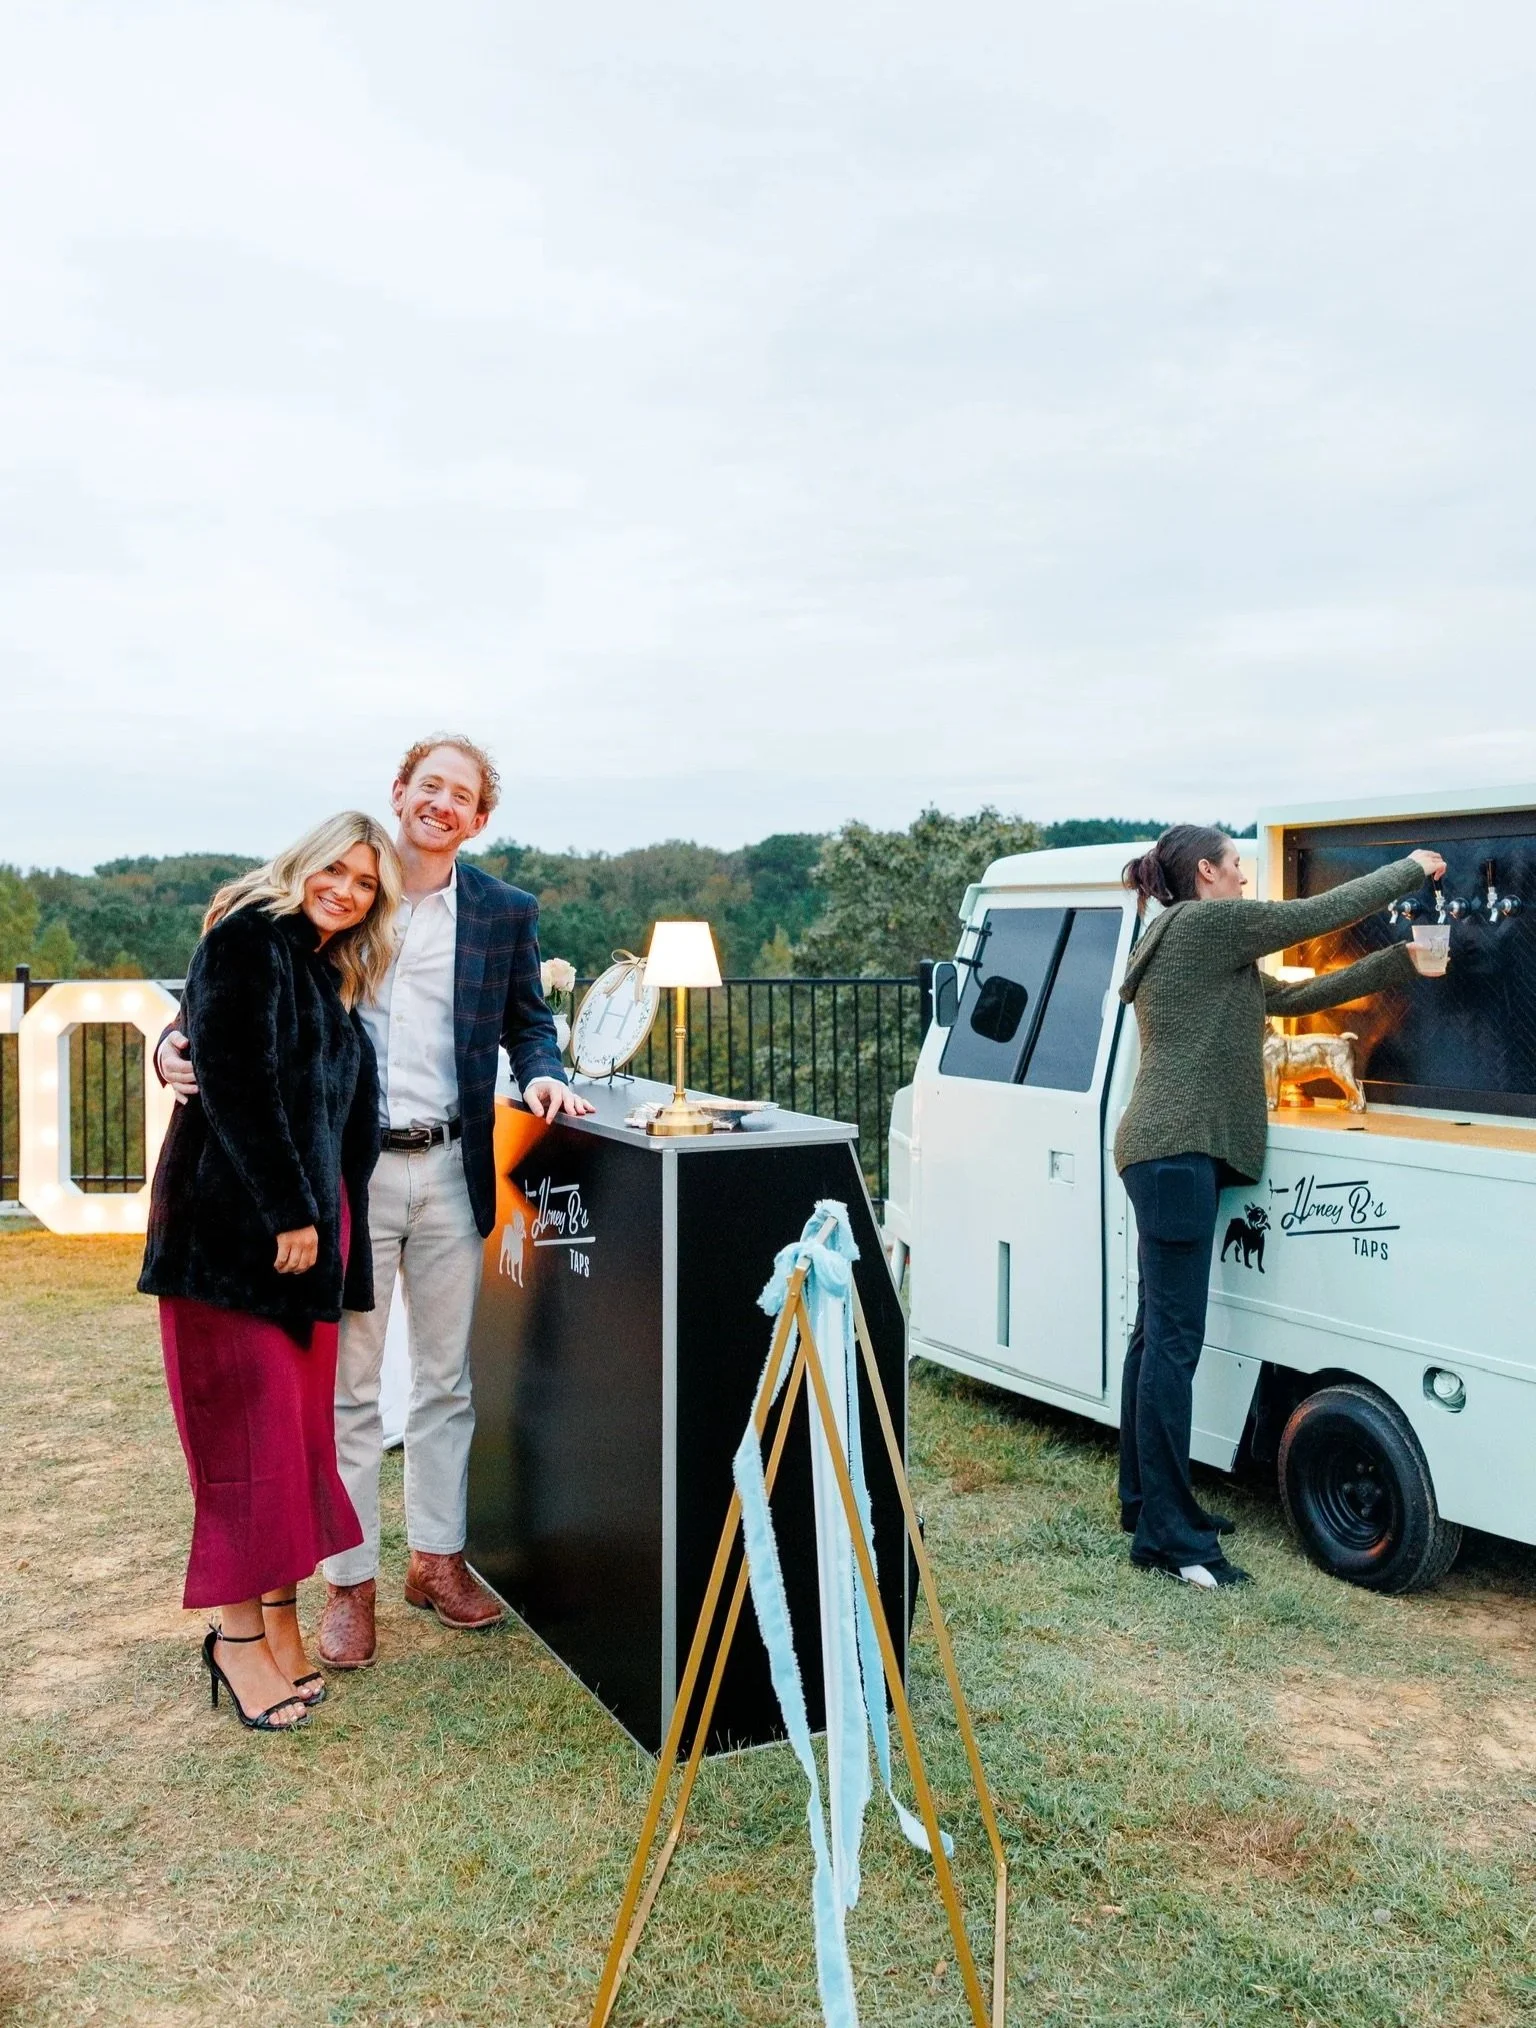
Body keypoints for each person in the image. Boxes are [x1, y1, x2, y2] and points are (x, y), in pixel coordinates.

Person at [157, 735, 593, 1670]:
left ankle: (437, 1561)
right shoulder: (343, 887)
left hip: (453, 1168)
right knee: (350, 1389)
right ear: (400, 793)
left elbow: (527, 1019)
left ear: (479, 819)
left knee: (446, 1380)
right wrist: (170, 1044)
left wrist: (547, 1075)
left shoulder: (504, 912)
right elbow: (235, 984)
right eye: (427, 785)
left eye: (461, 795)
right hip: (343, 1177)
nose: (441, 804)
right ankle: (347, 1584)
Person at [1114, 826, 1448, 1590]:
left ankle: (1144, 1502)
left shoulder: (1187, 943)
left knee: (1153, 1338)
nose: (1243, 877)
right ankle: (1171, 1538)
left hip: (1164, 1153)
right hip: (1174, 1154)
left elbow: (1298, 995)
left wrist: (1399, 962)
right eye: (1236, 865)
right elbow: (1316, 915)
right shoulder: (1204, 924)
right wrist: (1409, 868)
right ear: (1206, 872)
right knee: (1172, 1344)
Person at [139, 813, 401, 1729]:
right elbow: (236, 1076)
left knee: (291, 1446)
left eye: (365, 882)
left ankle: (279, 1625)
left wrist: (330, 1231)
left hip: (308, 1246)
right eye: (334, 868)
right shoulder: (247, 936)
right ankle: (236, 1642)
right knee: (244, 1450)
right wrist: (290, 1210)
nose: (346, 889)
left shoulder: (325, 973)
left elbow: (340, 1120)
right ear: (301, 864)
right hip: (235, 1237)